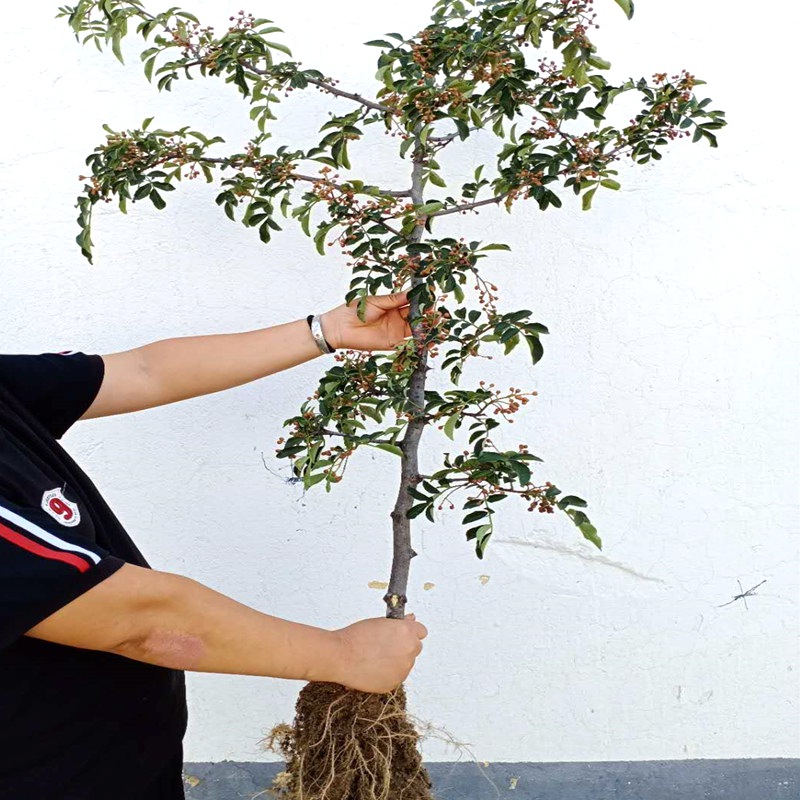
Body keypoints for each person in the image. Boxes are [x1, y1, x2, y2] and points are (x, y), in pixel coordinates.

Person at [0, 291, 428, 800]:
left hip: (109, 763)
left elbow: (144, 371)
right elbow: (134, 619)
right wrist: (342, 655)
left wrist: (326, 331)